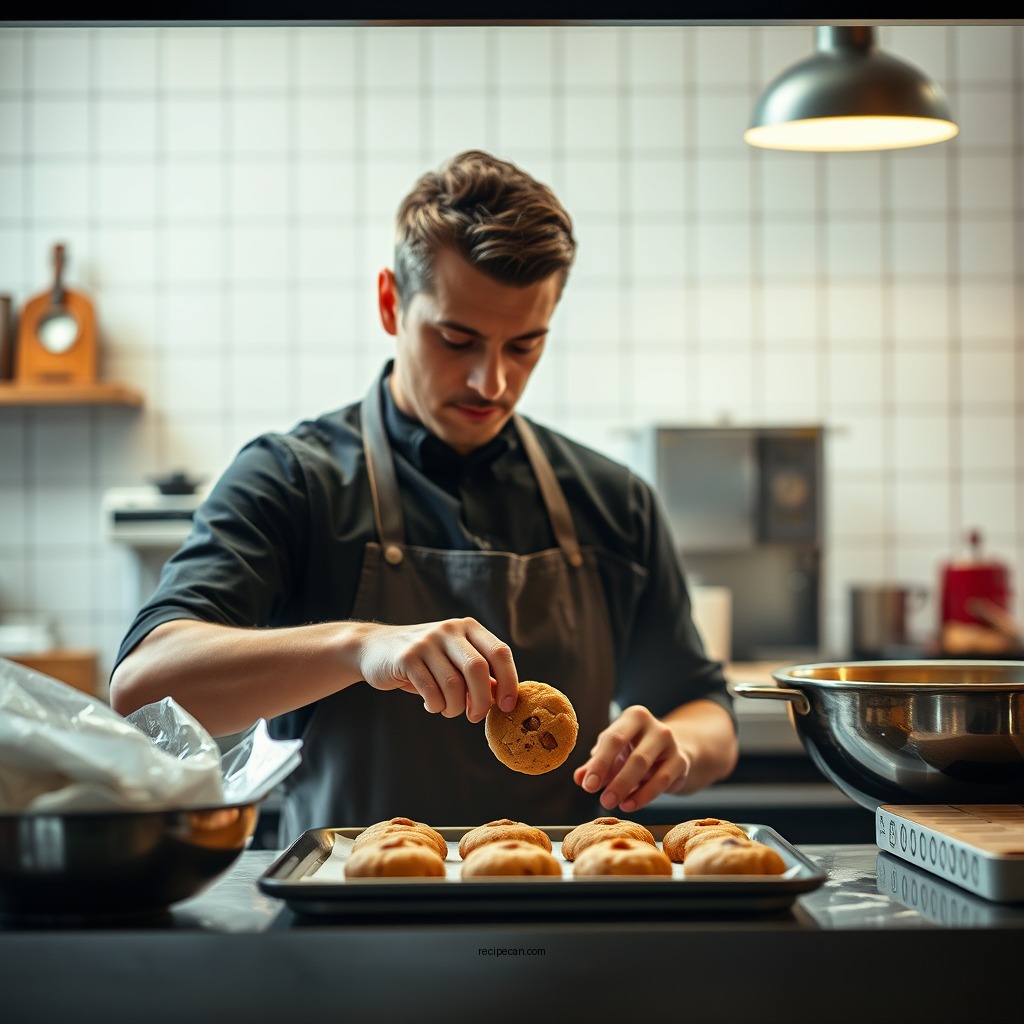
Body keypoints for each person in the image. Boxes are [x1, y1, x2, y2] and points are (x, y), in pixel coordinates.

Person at [109, 150, 738, 842]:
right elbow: (142, 686)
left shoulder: (615, 501)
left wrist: (677, 748)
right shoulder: (291, 480)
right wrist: (358, 647)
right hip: (348, 917)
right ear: (390, 303)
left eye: (524, 346)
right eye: (456, 338)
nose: (490, 383)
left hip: (560, 913)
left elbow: (704, 711)